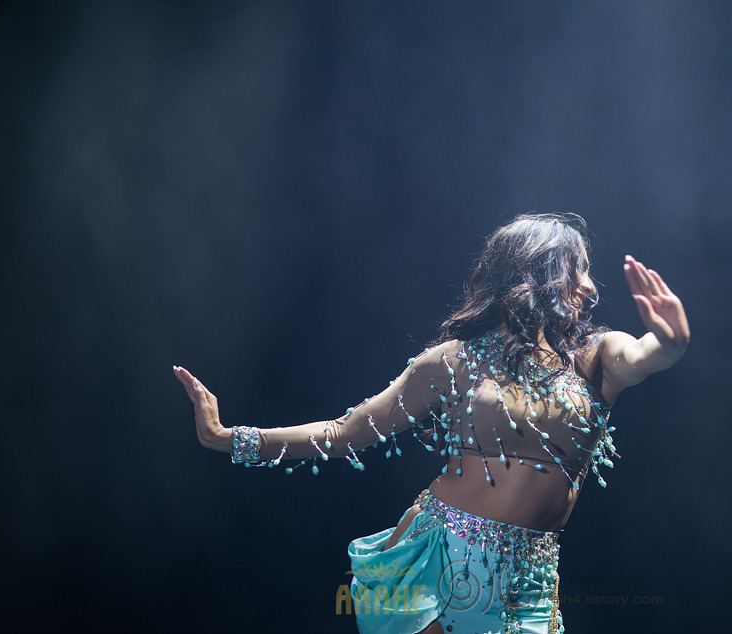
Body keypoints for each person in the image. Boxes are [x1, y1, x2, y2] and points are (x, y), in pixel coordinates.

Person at [174, 213, 689, 634]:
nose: (590, 287)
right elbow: (344, 432)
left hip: (529, 582)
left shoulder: (595, 358)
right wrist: (228, 438)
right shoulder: (454, 361)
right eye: (578, 270)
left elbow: (642, 356)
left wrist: (671, 342)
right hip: (437, 560)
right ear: (537, 272)